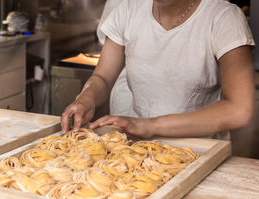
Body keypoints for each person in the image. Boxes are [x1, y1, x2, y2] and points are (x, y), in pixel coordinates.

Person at [61, 0, 255, 140]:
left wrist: (151, 126)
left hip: (200, 149)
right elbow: (103, 77)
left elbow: (239, 109)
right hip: (137, 149)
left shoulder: (223, 17)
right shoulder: (128, 10)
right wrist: (86, 98)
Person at [97, 0, 133, 117]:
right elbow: (103, 75)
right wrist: (87, 97)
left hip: (183, 121)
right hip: (129, 101)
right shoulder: (126, 7)